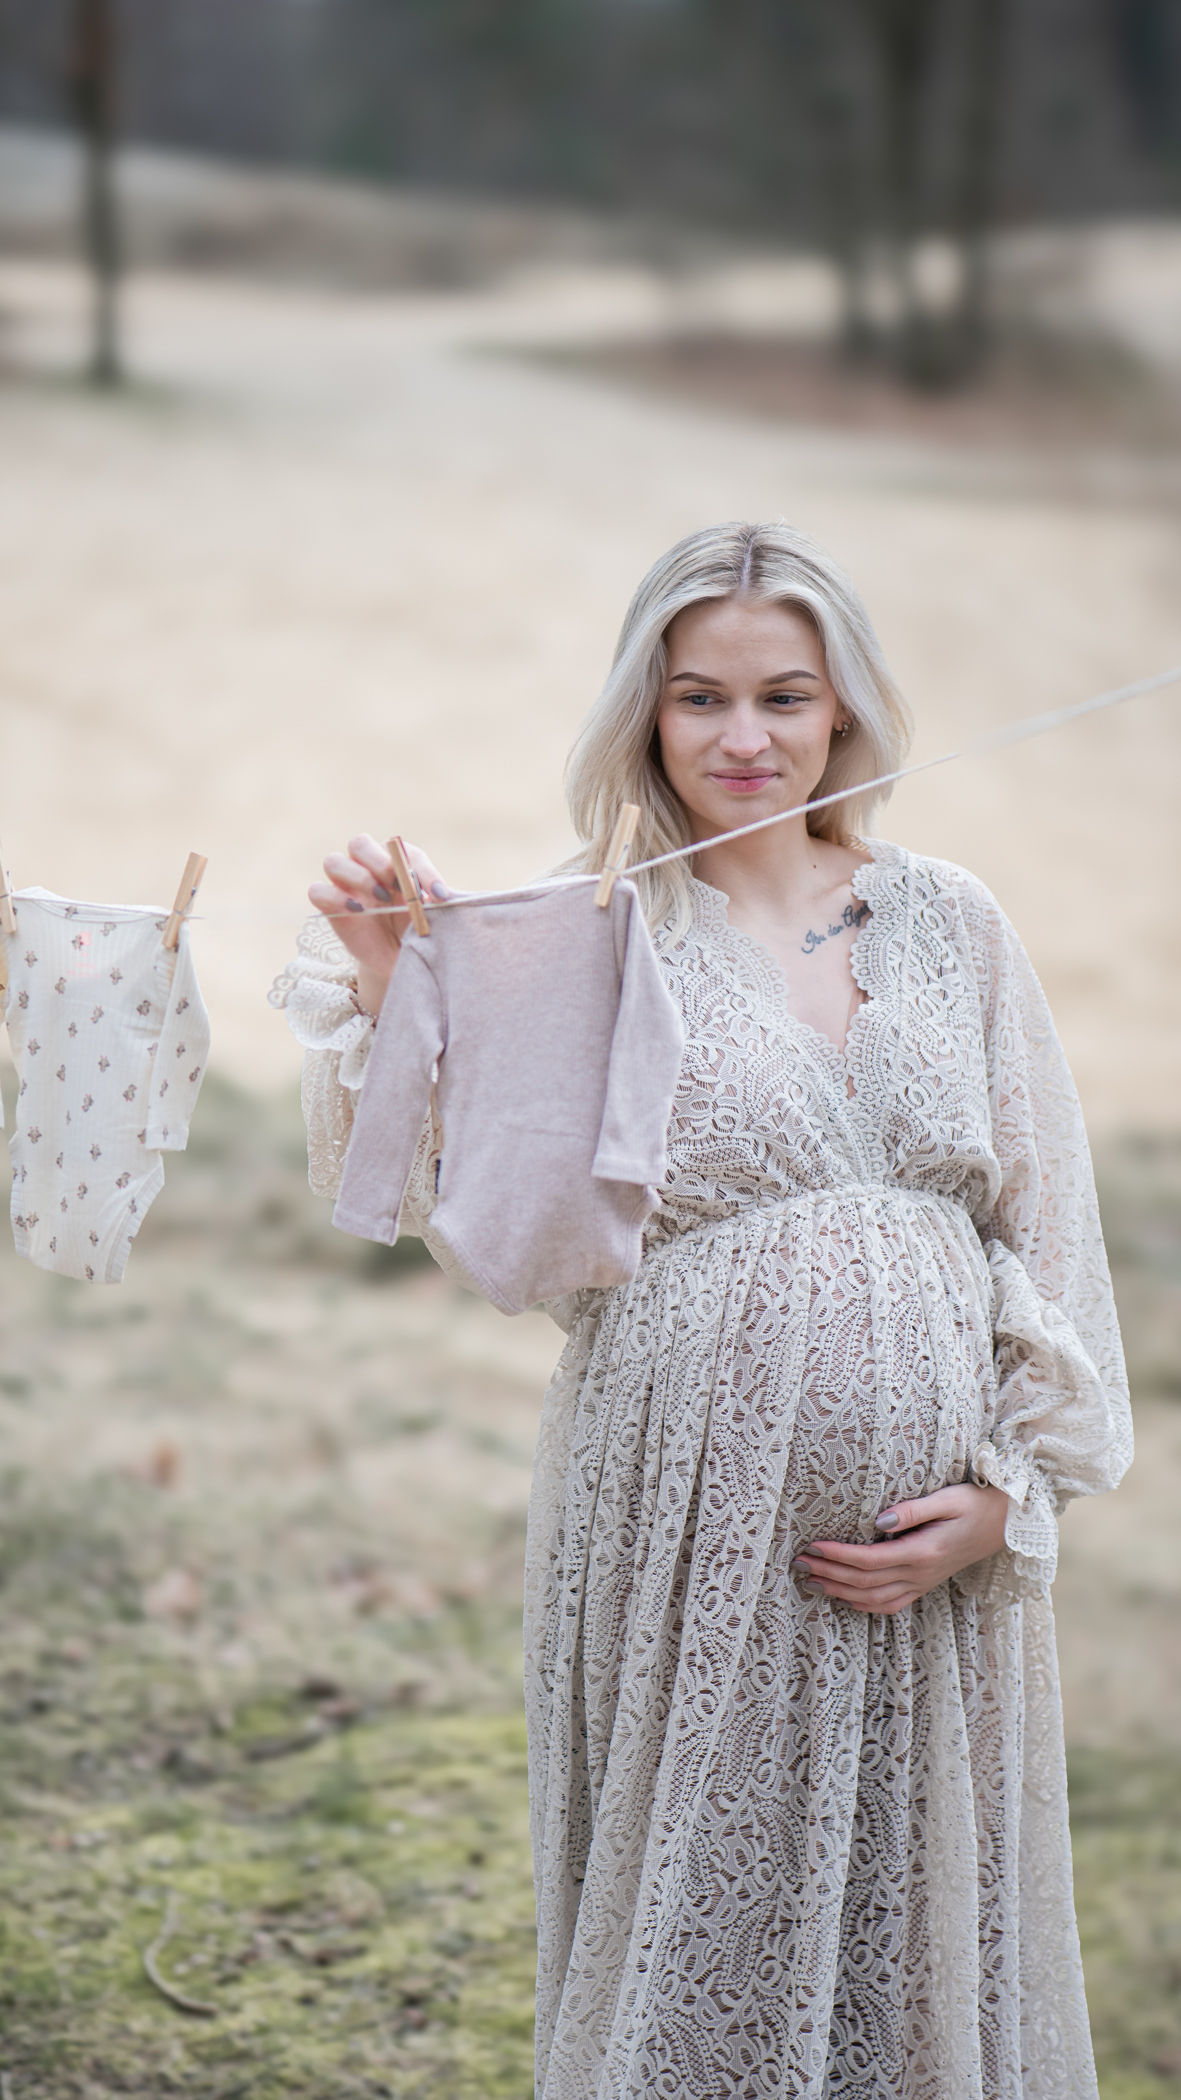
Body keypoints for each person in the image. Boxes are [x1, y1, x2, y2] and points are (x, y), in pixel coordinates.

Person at [279, 522, 1131, 2100]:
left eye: (784, 697)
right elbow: (491, 1219)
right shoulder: (584, 934)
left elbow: (1047, 1229)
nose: (744, 740)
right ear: (645, 717)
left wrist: (1007, 1495)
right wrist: (405, 986)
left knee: (922, 1926)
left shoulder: (951, 922)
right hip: (682, 1522)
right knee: (704, 1926)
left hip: (931, 1558)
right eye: (699, 700)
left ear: (842, 712)